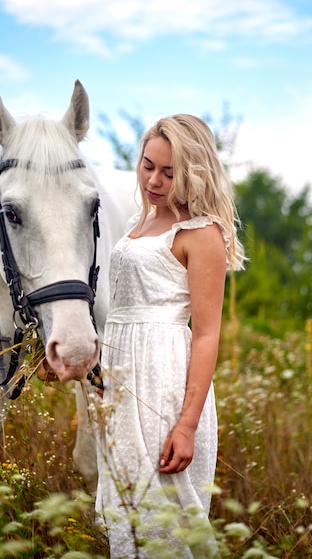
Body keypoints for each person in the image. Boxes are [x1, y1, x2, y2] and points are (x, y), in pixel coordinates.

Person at [95, 114, 245, 558]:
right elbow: (118, 312)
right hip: (121, 382)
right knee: (127, 512)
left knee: (166, 514)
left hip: (163, 383)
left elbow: (206, 335)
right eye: (147, 166)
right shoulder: (137, 227)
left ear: (193, 172)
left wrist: (186, 425)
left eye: (168, 171)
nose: (153, 180)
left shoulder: (200, 233)